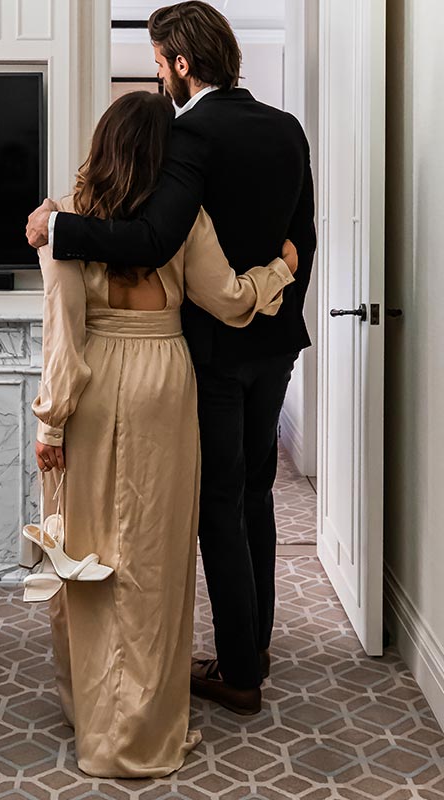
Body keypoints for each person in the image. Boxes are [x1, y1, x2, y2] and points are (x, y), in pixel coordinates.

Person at [26, 1, 316, 716]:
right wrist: (277, 294)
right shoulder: (286, 130)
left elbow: (154, 240)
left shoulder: (188, 134)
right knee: (255, 495)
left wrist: (58, 226)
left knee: (217, 506)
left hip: (208, 350)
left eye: (159, 65)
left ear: (181, 64)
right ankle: (256, 642)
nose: (160, 80)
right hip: (273, 343)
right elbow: (300, 240)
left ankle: (240, 671)